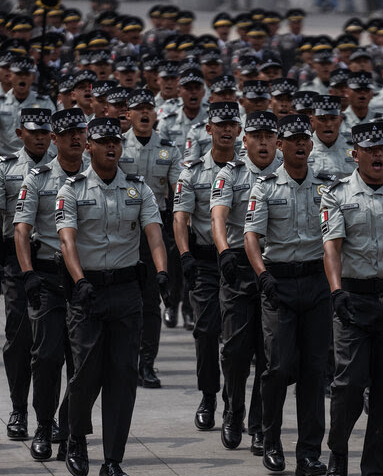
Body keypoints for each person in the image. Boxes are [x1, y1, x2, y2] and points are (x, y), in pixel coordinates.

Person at [56, 117, 168, 476]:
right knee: (86, 373)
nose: (111, 147)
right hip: (87, 293)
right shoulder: (71, 189)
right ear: (89, 146)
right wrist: (80, 281)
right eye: (103, 142)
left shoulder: (139, 189)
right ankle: (75, 438)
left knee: (123, 376)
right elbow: (67, 240)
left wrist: (162, 271)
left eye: (116, 142)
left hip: (125, 292)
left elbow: (154, 234)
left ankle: (113, 461)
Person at [322, 120, 383, 476]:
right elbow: (332, 248)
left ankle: (376, 473)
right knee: (349, 385)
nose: (377, 155)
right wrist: (337, 291)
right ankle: (338, 454)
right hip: (354, 301)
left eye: (382, 149)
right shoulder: (337, 195)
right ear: (354, 154)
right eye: (369, 150)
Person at [244, 114, 332, 476]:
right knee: (277, 367)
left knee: (314, 370)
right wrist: (262, 276)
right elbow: (251, 237)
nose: (299, 145)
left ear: (310, 145)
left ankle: (310, 451)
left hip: (315, 284)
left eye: (304, 140)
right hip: (278, 284)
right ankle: (271, 439)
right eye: (292, 139)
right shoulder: (264, 187)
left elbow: (333, 240)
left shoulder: (326, 188)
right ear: (281, 145)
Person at [13, 108, 88, 461]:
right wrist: (27, 273)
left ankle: (72, 429)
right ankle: (44, 425)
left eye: (81, 132)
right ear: (55, 139)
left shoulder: (98, 175)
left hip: (87, 280)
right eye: (68, 132)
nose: (76, 137)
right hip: (46, 276)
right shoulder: (38, 178)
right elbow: (22, 230)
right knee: (45, 357)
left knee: (82, 362)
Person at [210, 110, 282, 455]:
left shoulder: (288, 174)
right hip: (238, 265)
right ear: (246, 139)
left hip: (276, 266)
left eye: (270, 136)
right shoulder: (231, 174)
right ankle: (232, 409)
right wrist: (223, 251)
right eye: (257, 136)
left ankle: (258, 424)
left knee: (269, 353)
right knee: (236, 349)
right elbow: (218, 217)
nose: (264, 142)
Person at [0, 107, 54, 441]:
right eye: (33, 132)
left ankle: (47, 414)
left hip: (53, 262)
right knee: (20, 339)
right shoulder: (4, 168)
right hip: (15, 262)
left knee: (50, 344)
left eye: (44, 132)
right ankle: (18, 409)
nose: (39, 138)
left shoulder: (66, 167)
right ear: (20, 133)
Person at [173, 101, 241, 431]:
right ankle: (209, 394)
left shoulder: (251, 171)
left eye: (232, 124)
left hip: (241, 262)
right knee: (206, 330)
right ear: (209, 129)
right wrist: (184, 255)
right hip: (205, 261)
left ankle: (233, 399)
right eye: (220, 124)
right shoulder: (192, 172)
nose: (226, 130)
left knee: (236, 337)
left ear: (239, 131)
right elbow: (181, 217)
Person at [119, 88, 182, 388]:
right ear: (128, 114)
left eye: (149, 109)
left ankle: (147, 363)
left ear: (156, 113)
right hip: (121, 231)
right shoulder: (117, 146)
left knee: (151, 300)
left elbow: (177, 192)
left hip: (154, 231)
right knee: (123, 299)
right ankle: (124, 360)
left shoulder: (168, 149)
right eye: (138, 109)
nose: (144, 114)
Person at [0, 55, 55, 156]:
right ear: (10, 76)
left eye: (27, 74)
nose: (23, 77)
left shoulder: (44, 102)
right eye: (18, 73)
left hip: (37, 157)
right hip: (5, 156)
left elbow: (54, 132)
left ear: (33, 77)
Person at [309, 95, 356, 179]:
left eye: (333, 118)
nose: (328, 124)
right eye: (322, 119)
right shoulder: (304, 149)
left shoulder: (354, 147)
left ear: (340, 120)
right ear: (312, 121)